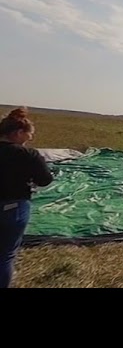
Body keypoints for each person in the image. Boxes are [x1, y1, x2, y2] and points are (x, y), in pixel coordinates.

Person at [0, 106, 54, 288]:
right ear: (18, 133)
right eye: (28, 134)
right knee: (5, 255)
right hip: (13, 209)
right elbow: (45, 179)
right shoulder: (28, 154)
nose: (30, 138)